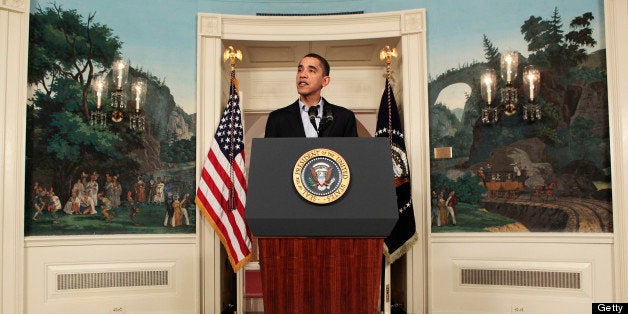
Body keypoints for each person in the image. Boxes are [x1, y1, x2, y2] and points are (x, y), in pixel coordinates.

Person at [264, 53, 357, 138]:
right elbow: (269, 154)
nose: (302, 75)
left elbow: (352, 153)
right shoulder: (277, 118)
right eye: (300, 70)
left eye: (311, 70)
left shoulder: (344, 117)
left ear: (325, 81)